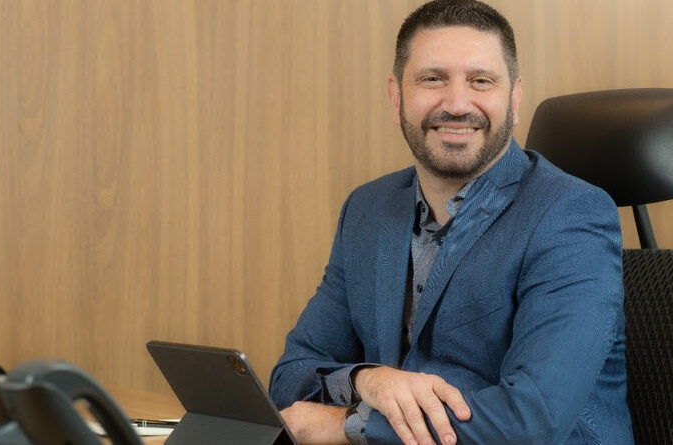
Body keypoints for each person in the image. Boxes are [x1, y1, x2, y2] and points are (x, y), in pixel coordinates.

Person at [269, 0, 635, 444]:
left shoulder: (571, 214)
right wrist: (369, 379)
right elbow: (292, 374)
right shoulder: (366, 209)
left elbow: (532, 420)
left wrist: (347, 425)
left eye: (481, 81)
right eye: (432, 79)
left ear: (514, 98)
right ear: (396, 97)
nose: (458, 104)